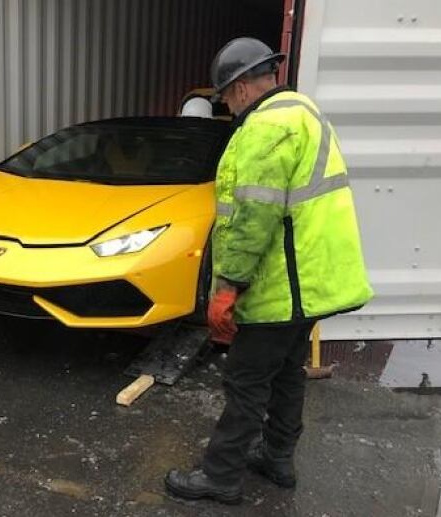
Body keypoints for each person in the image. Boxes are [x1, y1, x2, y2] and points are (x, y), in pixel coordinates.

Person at [164, 37, 373, 505]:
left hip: (283, 287)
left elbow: (250, 219)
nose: (229, 108)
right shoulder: (305, 113)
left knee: (246, 381)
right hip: (313, 286)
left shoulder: (265, 128)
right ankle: (277, 460)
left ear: (239, 88)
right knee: (286, 375)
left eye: (227, 98)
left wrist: (228, 285)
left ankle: (220, 476)